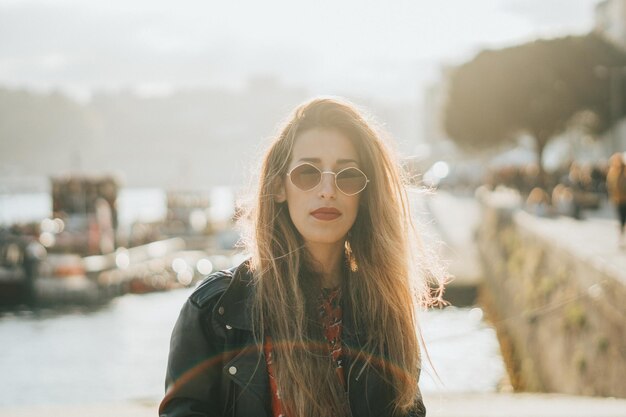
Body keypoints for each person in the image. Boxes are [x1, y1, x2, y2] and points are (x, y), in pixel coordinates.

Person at [159, 97, 443, 417]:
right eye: (307, 173)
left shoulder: (383, 307)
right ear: (279, 186)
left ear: (365, 194)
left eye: (347, 175)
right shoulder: (216, 310)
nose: (327, 189)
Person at [606, 152, 626, 247]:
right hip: (617, 200)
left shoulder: (624, 171)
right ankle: (621, 237)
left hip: (624, 199)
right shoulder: (612, 172)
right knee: (620, 219)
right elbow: (610, 186)